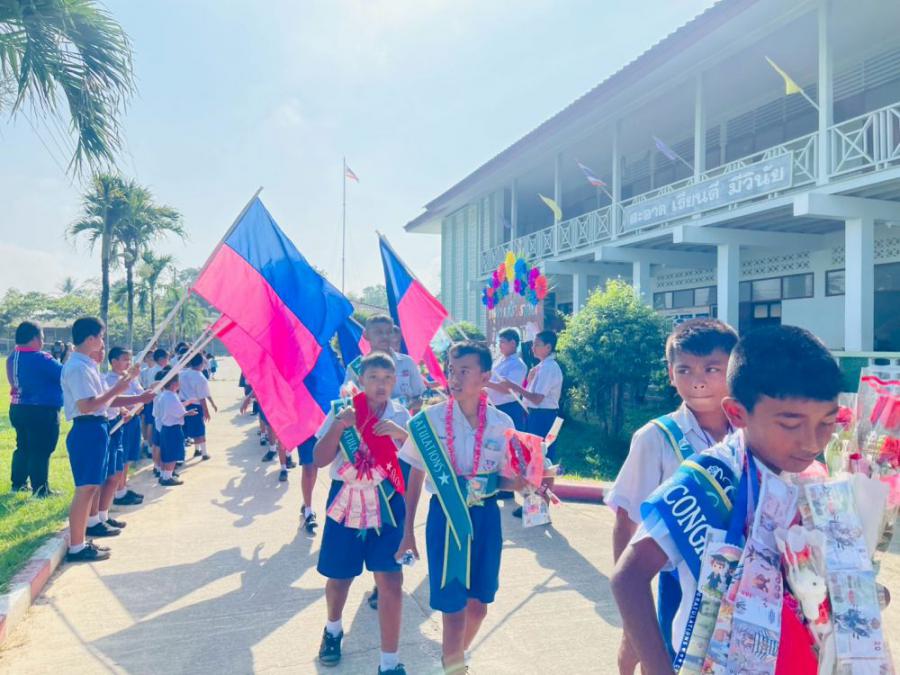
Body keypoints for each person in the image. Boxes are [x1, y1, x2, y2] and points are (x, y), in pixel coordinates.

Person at [611, 326, 842, 674]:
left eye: (827, 422)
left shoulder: (811, 477)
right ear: (737, 413)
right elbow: (627, 578)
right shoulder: (708, 478)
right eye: (790, 424)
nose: (812, 442)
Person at [606, 318, 738, 673]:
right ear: (670, 374)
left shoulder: (749, 433)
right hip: (680, 583)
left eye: (712, 369)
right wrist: (632, 619)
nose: (698, 380)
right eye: (684, 370)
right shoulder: (656, 438)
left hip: (743, 585)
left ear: (734, 368)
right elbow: (627, 521)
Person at [397, 342, 521, 673]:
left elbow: (506, 478)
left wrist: (523, 483)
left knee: (478, 607)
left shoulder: (502, 422)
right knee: (452, 609)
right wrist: (407, 532)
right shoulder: (428, 422)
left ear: (485, 377)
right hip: (446, 517)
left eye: (464, 371)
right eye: (452, 370)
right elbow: (414, 476)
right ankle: (455, 666)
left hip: (485, 517)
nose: (454, 378)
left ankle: (451, 660)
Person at [313, 352, 411, 674]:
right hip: (346, 502)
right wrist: (340, 425)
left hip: (388, 503)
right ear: (361, 380)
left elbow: (419, 460)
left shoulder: (401, 415)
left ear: (394, 382)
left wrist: (401, 434)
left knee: (391, 581)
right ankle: (333, 630)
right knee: (340, 577)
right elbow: (319, 458)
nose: (381, 385)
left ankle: (389, 662)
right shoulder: (344, 410)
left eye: (387, 378)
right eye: (373, 378)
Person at [60, 317, 154, 562]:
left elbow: (106, 400)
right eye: (101, 337)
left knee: (92, 486)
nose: (102, 342)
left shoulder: (87, 365)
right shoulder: (77, 368)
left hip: (96, 428)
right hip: (87, 428)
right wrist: (119, 389)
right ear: (91, 338)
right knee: (85, 489)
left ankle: (81, 540)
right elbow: (87, 405)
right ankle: (77, 547)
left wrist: (138, 397)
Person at [504, 329, 563, 518]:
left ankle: (539, 509)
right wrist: (527, 381)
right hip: (536, 416)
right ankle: (534, 506)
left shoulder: (549, 368)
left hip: (543, 417)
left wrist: (514, 386)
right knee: (533, 461)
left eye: (537, 344)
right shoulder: (541, 366)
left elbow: (537, 398)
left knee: (541, 462)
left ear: (548, 347)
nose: (533, 348)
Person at [7, 321, 63, 496]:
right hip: (41, 410)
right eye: (42, 337)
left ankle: (18, 484)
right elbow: (65, 374)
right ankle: (40, 489)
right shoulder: (42, 358)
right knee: (41, 449)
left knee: (23, 447)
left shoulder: (13, 357)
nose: (43, 342)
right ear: (34, 338)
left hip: (18, 407)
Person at [153, 367, 197, 486]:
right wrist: (188, 413)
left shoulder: (163, 395)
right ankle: (167, 478)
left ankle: (164, 475)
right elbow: (178, 412)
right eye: (178, 381)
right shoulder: (171, 396)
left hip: (165, 428)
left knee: (166, 453)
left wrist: (185, 406)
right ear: (174, 384)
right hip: (173, 428)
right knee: (172, 454)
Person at [484, 328, 528, 431]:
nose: (499, 345)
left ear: (512, 343)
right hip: (493, 406)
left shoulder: (518, 365)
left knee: (510, 438)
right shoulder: (499, 360)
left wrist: (485, 383)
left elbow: (508, 389)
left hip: (508, 408)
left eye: (502, 342)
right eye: (499, 342)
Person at [179, 352, 217, 460]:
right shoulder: (200, 378)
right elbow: (202, 397)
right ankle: (204, 453)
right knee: (200, 430)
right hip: (195, 406)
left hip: (182, 405)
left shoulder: (182, 373)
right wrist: (206, 410)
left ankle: (195, 451)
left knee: (186, 430)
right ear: (201, 363)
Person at [141, 348, 169, 470]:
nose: (168, 361)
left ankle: (149, 448)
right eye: (167, 358)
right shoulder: (159, 371)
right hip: (156, 400)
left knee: (150, 423)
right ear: (162, 359)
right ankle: (151, 451)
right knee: (153, 425)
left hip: (151, 398)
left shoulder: (151, 369)